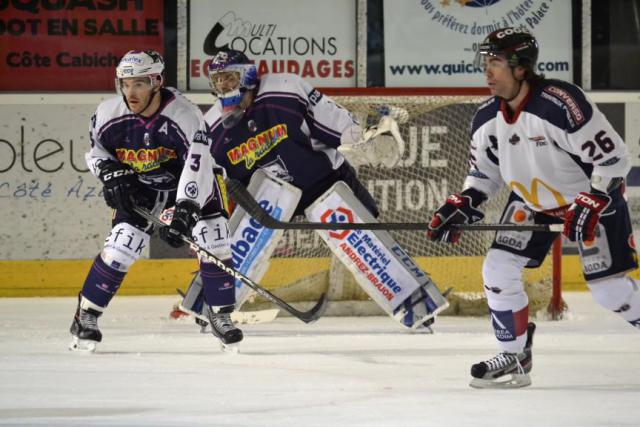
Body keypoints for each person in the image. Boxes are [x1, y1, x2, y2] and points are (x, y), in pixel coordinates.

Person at [165, 49, 449, 331]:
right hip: (270, 193)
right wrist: (189, 208)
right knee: (238, 240)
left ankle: (416, 303)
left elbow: (333, 119)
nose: (223, 85)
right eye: (217, 80)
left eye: (229, 77)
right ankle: (209, 306)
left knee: (366, 236)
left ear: (247, 75)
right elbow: (203, 175)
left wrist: (365, 140)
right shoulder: (213, 126)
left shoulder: (285, 90)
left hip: (322, 178)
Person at [427, 27, 639, 388]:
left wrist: (595, 196)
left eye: (495, 62)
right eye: (486, 62)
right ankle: (514, 356)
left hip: (587, 201)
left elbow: (615, 158)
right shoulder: (485, 119)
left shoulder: (559, 103)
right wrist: (464, 200)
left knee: (610, 291)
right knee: (497, 268)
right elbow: (484, 174)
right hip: (532, 204)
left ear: (521, 67)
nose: (487, 72)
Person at [69, 50, 242, 353]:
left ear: (156, 82)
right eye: (125, 84)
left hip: (192, 182)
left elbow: (197, 166)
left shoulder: (185, 115)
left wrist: (186, 210)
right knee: (122, 244)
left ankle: (220, 315)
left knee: (214, 238)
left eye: (138, 84)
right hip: (143, 188)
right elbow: (97, 154)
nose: (130, 92)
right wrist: (110, 173)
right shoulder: (108, 114)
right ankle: (86, 314)